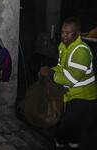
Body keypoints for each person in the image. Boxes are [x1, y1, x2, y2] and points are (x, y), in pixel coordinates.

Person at [39, 17, 97, 150]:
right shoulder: (64, 46)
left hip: (84, 96)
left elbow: (69, 80)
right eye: (63, 32)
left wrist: (50, 73)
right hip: (71, 93)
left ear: (77, 34)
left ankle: (59, 143)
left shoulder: (80, 51)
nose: (64, 35)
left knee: (64, 124)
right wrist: (50, 70)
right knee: (73, 123)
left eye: (68, 32)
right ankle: (73, 144)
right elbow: (60, 67)